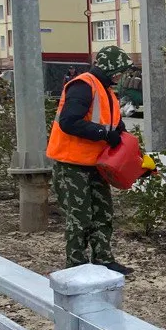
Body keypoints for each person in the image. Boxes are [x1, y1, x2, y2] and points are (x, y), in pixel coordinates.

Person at [46, 46, 134, 276]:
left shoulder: (108, 93)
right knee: (79, 217)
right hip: (72, 164)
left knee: (103, 213)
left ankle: (103, 260)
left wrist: (136, 161)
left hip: (96, 164)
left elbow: (119, 131)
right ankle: (76, 266)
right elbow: (69, 122)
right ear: (110, 68)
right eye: (119, 71)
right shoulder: (83, 86)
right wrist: (104, 133)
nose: (121, 76)